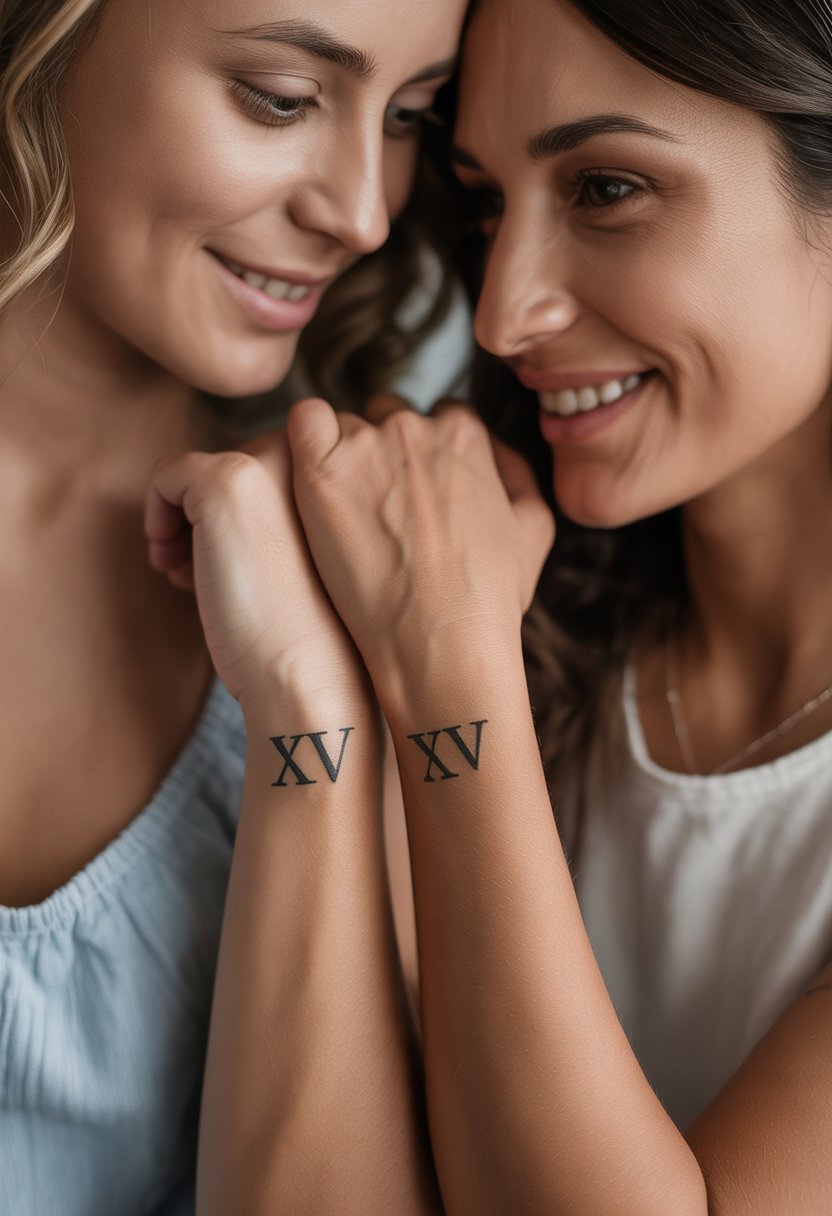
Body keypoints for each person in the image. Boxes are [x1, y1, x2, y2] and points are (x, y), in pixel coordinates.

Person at [284, 0, 832, 1210]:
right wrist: (317, 686)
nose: (501, 312)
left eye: (605, 189)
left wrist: (445, 663)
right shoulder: (507, 620)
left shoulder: (458, 636)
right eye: (482, 204)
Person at [0, 1, 467, 1213]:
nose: (363, 211)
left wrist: (308, 705)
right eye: (281, 98)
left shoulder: (387, 578)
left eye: (411, 116)